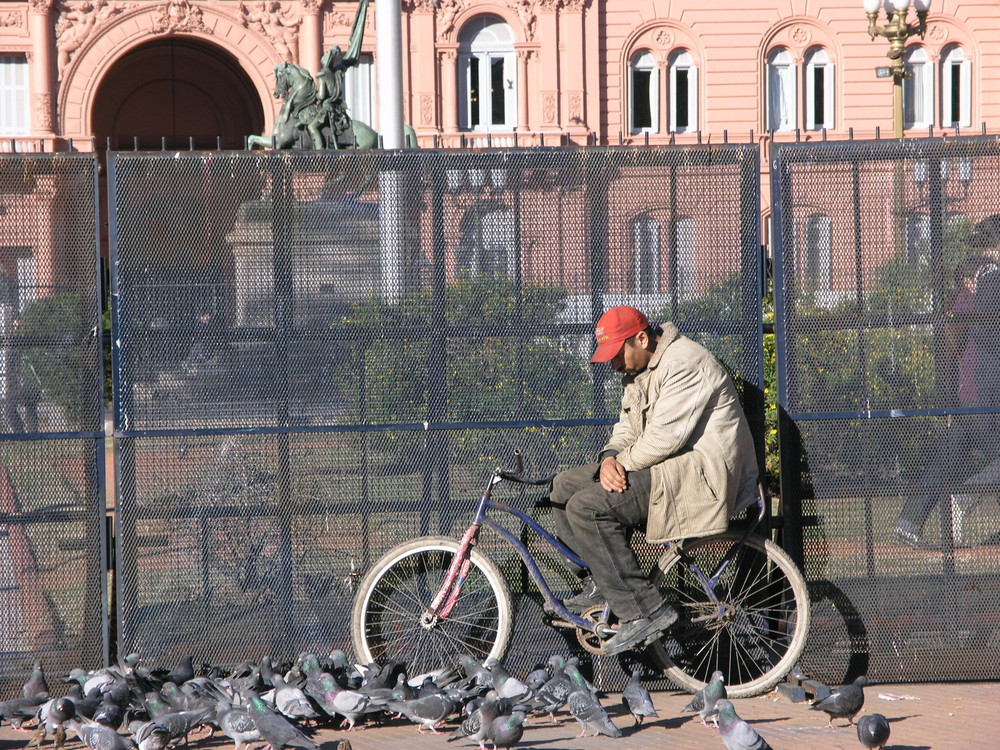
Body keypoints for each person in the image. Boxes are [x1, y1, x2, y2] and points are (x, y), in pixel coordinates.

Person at [548, 305, 760, 655]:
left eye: (616, 354)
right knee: (562, 488)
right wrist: (608, 459)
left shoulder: (685, 362)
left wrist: (619, 464)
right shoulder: (638, 370)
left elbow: (666, 439)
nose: (614, 365)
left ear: (642, 338)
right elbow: (627, 428)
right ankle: (602, 585)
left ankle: (644, 610)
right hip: (663, 466)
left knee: (588, 508)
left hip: (699, 476)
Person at [894, 256, 998, 549]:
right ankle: (964, 498)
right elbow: (954, 344)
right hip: (979, 399)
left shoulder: (972, 301)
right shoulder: (971, 301)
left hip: (967, 401)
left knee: (945, 462)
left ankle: (908, 521)